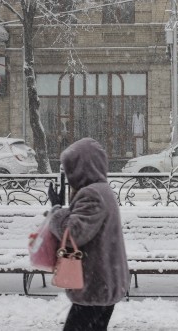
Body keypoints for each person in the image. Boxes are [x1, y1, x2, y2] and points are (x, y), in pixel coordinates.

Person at [47, 138, 130, 331]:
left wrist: (56, 210)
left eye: (71, 168)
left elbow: (73, 233)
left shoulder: (92, 194)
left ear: (82, 167)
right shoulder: (101, 190)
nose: (68, 175)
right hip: (102, 283)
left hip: (94, 287)